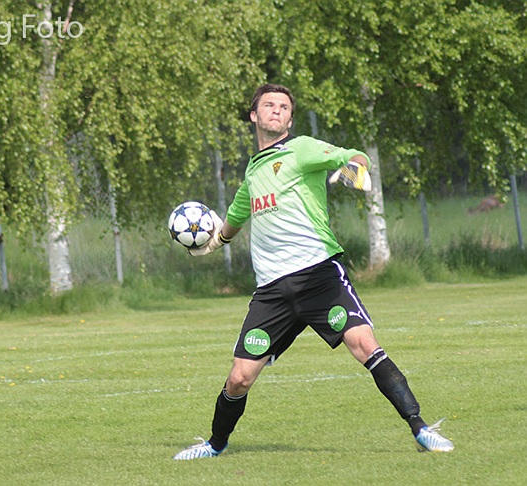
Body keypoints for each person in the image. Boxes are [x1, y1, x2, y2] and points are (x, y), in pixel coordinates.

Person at [172, 83, 454, 460]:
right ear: (254, 115)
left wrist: (356, 167)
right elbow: (235, 218)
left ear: (290, 119)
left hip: (320, 277)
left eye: (284, 107)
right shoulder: (253, 173)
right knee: (239, 378)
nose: (276, 110)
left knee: (365, 345)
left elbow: (351, 155)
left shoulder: (301, 149)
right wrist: (213, 242)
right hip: (272, 292)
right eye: (269, 105)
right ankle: (215, 445)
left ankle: (421, 429)